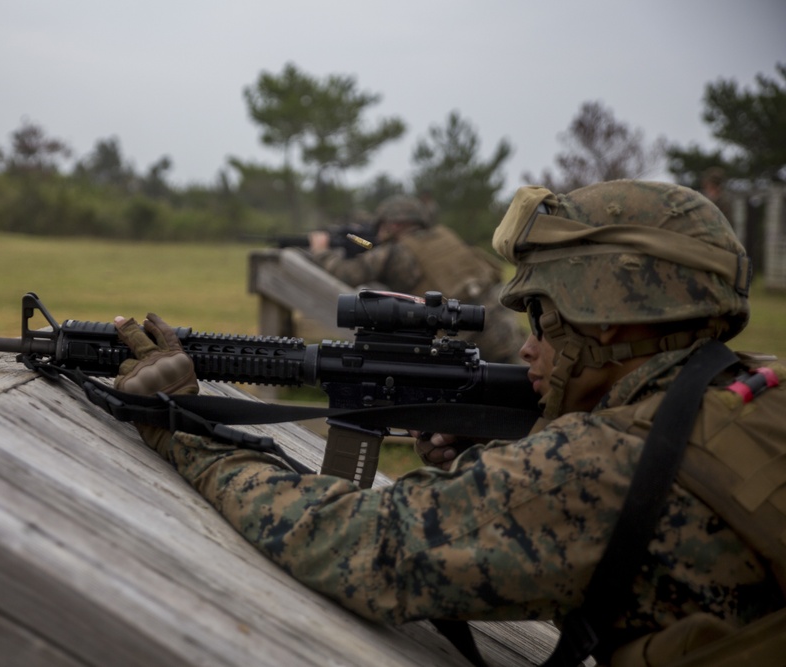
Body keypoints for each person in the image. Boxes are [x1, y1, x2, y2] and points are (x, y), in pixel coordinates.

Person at [112, 180, 785, 666]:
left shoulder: (598, 463)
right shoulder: (757, 392)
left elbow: (367, 543)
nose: (528, 346)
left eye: (544, 318)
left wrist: (189, 431)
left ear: (610, 318)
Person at [307, 194, 527, 364]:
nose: (379, 233)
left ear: (393, 225)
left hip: (465, 338)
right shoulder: (445, 236)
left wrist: (321, 251)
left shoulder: (396, 251)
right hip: (504, 327)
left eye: (382, 227)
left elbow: (347, 273)